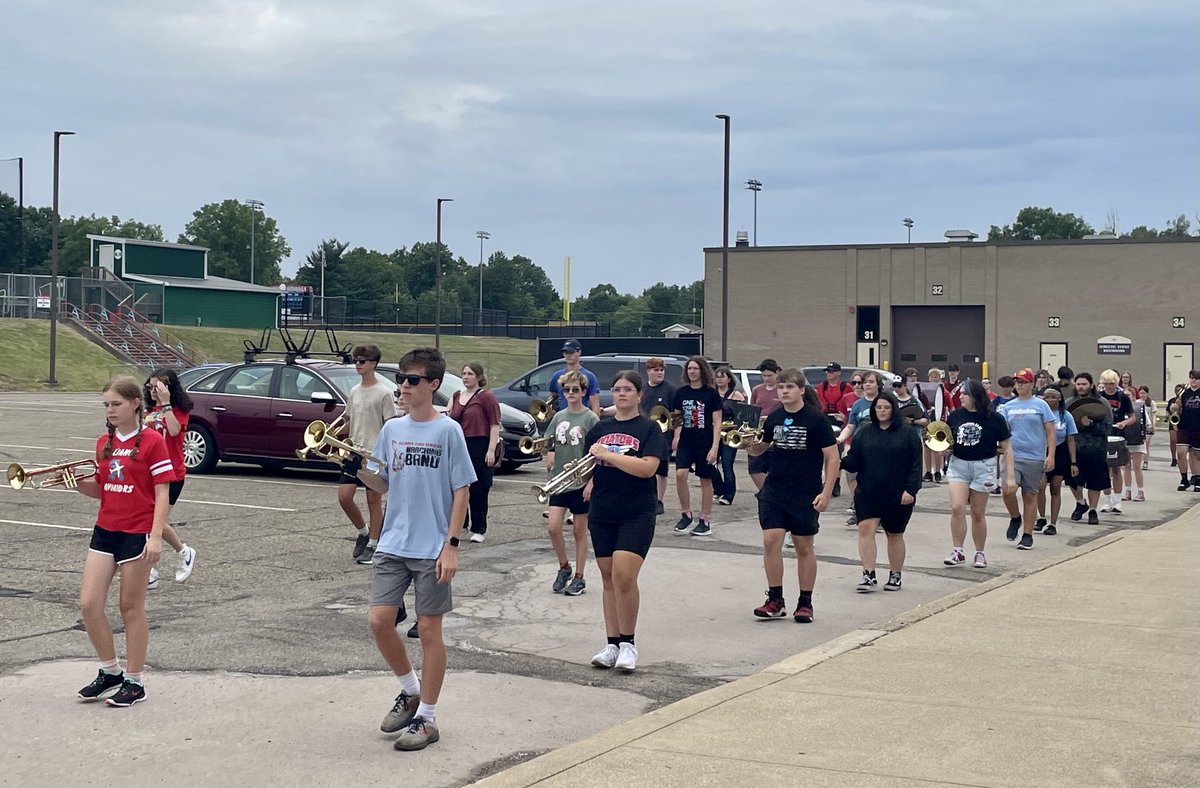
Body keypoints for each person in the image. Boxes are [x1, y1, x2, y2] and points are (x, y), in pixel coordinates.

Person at [361, 347, 476, 752]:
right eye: (402, 379)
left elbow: (461, 489)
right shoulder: (392, 429)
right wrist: (351, 469)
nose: (403, 387)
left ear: (433, 385)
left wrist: (451, 545)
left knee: (429, 629)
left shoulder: (448, 431)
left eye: (412, 380)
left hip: (432, 546)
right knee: (378, 620)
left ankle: (426, 718)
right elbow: (383, 483)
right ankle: (410, 690)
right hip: (394, 541)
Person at [74, 377, 175, 707]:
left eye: (116, 404)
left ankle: (135, 681)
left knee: (130, 608)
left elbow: (162, 492)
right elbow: (101, 488)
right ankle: (111, 671)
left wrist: (157, 537)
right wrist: (76, 484)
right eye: (105, 404)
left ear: (135, 404)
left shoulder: (151, 441)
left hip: (136, 532)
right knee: (89, 604)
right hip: (105, 529)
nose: (110, 410)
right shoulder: (104, 441)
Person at [583, 371, 664, 672]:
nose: (621, 394)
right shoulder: (599, 428)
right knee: (607, 578)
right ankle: (612, 643)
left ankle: (629, 644)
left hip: (637, 510)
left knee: (625, 576)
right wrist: (578, 468)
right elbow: (589, 466)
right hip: (603, 510)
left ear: (639, 394)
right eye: (616, 389)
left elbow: (647, 468)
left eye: (628, 389)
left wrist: (609, 455)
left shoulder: (649, 428)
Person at [745, 369, 838, 621]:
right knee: (770, 541)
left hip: (805, 492)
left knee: (803, 547)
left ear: (800, 390)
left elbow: (832, 458)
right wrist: (746, 442)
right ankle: (775, 599)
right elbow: (758, 450)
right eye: (780, 387)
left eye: (789, 387)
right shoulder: (774, 418)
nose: (784, 391)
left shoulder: (816, 420)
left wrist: (826, 492)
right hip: (775, 489)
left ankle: (805, 602)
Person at [843, 391, 922, 592]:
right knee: (865, 530)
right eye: (878, 407)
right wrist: (839, 459)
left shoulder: (907, 434)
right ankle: (868, 575)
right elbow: (855, 460)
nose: (882, 411)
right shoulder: (864, 433)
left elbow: (915, 465)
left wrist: (911, 490)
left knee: (894, 534)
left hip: (898, 493)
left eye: (886, 407)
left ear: (893, 409)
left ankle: (895, 574)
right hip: (868, 491)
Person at [943, 379, 1015, 569]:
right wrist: (944, 450)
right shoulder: (955, 416)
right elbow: (947, 442)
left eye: (965, 394)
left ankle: (979, 552)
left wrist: (1009, 476)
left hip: (984, 466)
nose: (961, 396)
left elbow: (1007, 448)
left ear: (975, 395)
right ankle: (957, 550)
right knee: (957, 507)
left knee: (977, 513)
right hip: (959, 465)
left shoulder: (994, 418)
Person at [542, 370, 599, 596]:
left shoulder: (590, 418)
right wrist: (549, 452)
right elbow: (550, 440)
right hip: (560, 481)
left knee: (579, 531)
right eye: (567, 390)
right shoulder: (559, 416)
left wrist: (591, 482)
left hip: (581, 482)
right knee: (553, 526)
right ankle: (564, 567)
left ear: (584, 392)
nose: (571, 393)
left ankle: (580, 576)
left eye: (576, 390)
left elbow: (597, 454)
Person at [141, 369, 197, 588]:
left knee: (155, 522)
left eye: (158, 387)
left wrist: (166, 404)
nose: (153, 391)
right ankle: (153, 569)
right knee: (149, 521)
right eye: (150, 386)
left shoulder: (178, 410)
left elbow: (174, 431)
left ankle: (182, 553)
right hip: (150, 472)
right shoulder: (150, 410)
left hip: (172, 473)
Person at [339, 346, 394, 565]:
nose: (358, 364)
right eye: (356, 360)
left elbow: (390, 426)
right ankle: (362, 532)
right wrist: (334, 435)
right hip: (354, 451)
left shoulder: (384, 393)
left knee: (373, 501)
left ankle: (373, 543)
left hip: (373, 455)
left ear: (374, 363)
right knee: (344, 497)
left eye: (362, 360)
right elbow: (350, 420)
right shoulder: (354, 391)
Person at [997, 369, 1056, 550]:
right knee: (1007, 489)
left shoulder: (1040, 405)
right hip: (1012, 455)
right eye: (1017, 382)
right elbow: (1003, 431)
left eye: (1023, 381)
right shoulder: (1009, 406)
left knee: (1030, 495)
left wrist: (1050, 455)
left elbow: (1050, 431)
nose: (1020, 384)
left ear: (1032, 384)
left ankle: (1027, 534)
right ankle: (1015, 517)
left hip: (1034, 456)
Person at [670, 356, 723, 537]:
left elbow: (717, 421)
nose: (692, 371)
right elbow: (676, 418)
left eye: (695, 368)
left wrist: (715, 447)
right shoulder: (681, 392)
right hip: (686, 440)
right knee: (680, 474)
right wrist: (675, 437)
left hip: (706, 441)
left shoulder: (711, 393)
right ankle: (686, 514)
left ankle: (704, 519)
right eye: (689, 368)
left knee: (705, 480)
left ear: (702, 371)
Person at [450, 362, 501, 543]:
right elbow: (449, 417)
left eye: (470, 374)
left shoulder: (486, 397)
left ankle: (478, 528)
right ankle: (460, 523)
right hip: (459, 444)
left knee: (479, 488)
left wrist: (491, 450)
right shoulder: (456, 396)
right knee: (458, 485)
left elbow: (495, 424)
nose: (466, 377)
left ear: (479, 377)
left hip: (479, 442)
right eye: (464, 373)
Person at [837, 370, 883, 527]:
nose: (867, 384)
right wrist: (839, 439)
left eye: (871, 381)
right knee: (853, 477)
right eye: (865, 382)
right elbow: (850, 426)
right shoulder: (858, 404)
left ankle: (879, 516)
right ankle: (859, 510)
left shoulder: (884, 403)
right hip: (859, 447)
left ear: (878, 384)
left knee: (877, 482)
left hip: (880, 449)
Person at [1070, 373, 1114, 525]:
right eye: (1078, 384)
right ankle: (1081, 503)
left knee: (1094, 481)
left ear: (1091, 385)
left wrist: (1092, 425)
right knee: (1073, 480)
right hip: (1075, 448)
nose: (1081, 387)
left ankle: (1093, 510)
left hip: (1096, 448)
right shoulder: (1070, 402)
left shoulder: (1102, 403)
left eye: (1084, 384)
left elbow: (1109, 427)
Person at [1035, 386, 1077, 536]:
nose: (1051, 400)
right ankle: (1041, 517)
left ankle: (1053, 523)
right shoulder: (1040, 414)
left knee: (1055, 487)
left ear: (1059, 398)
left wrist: (1073, 462)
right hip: (1042, 450)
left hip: (1060, 452)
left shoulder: (1066, 416)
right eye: (1048, 397)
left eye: (1054, 397)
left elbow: (1071, 439)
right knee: (1040, 486)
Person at [639, 357, 677, 515]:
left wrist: (677, 437)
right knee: (643, 467)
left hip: (663, 436)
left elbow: (677, 415)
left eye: (662, 370)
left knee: (661, 469)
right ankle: (644, 498)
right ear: (648, 371)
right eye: (656, 370)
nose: (660, 373)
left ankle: (658, 501)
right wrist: (605, 411)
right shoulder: (642, 389)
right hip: (643, 433)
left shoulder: (670, 389)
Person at [1097, 369, 1135, 512]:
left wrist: (1124, 423)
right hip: (1103, 435)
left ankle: (1118, 501)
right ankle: (1107, 500)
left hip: (1118, 435)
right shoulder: (1099, 397)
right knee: (1104, 469)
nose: (1108, 387)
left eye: (1111, 384)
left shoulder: (1122, 397)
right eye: (1106, 384)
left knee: (1116, 468)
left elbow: (1133, 417)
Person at [816, 362, 852, 497]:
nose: (829, 374)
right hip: (824, 417)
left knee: (836, 451)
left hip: (839, 419)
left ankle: (835, 483)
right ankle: (822, 481)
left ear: (838, 373)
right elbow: (819, 401)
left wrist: (844, 417)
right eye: (827, 371)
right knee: (822, 451)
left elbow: (847, 404)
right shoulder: (821, 386)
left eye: (831, 371)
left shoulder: (845, 387)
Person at [711, 365, 746, 506]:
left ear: (729, 379)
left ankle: (729, 495)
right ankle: (718, 489)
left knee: (727, 464)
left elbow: (743, 415)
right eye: (717, 377)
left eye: (722, 376)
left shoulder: (736, 395)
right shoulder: (712, 394)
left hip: (730, 433)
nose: (719, 379)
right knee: (710, 463)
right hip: (714, 432)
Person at [748, 359, 783, 490]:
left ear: (777, 373)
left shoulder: (782, 389)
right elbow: (752, 410)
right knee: (754, 467)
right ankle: (764, 492)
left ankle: (771, 493)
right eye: (764, 375)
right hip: (759, 432)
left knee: (773, 467)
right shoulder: (757, 390)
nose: (766, 378)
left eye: (770, 375)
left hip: (777, 431)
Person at [548, 339, 601, 415]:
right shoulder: (557, 375)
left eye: (571, 352)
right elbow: (552, 398)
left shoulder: (589, 376)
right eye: (566, 352)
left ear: (579, 352)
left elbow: (595, 406)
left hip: (581, 417)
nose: (568, 355)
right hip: (562, 417)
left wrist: (595, 424)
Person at [921, 367, 953, 483]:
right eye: (932, 377)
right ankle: (928, 471)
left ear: (940, 378)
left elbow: (951, 406)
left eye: (936, 377)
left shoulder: (944, 392)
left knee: (938, 447)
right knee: (927, 446)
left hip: (940, 422)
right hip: (928, 422)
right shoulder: (923, 391)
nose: (934, 379)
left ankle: (938, 471)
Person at [1172, 370, 1200, 492]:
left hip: (1198, 427)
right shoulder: (1184, 393)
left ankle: (1198, 480)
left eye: (1196, 378)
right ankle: (1184, 479)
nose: (1193, 381)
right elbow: (1177, 408)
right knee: (1181, 453)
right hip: (1184, 426)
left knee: (1197, 455)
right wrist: (1174, 408)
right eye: (1191, 378)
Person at [1120, 383, 1148, 502]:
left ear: (1133, 396)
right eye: (1124, 395)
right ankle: (1127, 491)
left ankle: (1140, 491)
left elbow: (1147, 423)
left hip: (1137, 440)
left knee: (1137, 467)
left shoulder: (1139, 407)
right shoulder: (1121, 408)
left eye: (1129, 395)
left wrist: (1148, 429)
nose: (1127, 397)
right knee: (1126, 466)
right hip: (1125, 440)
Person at [1138, 386, 1155, 471]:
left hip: (1148, 426)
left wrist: (1153, 425)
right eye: (1140, 393)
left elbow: (1153, 414)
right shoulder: (1137, 402)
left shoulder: (1151, 403)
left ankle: (1145, 462)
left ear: (1147, 394)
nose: (1142, 395)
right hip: (1139, 426)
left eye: (1144, 393)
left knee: (1146, 445)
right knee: (1140, 444)